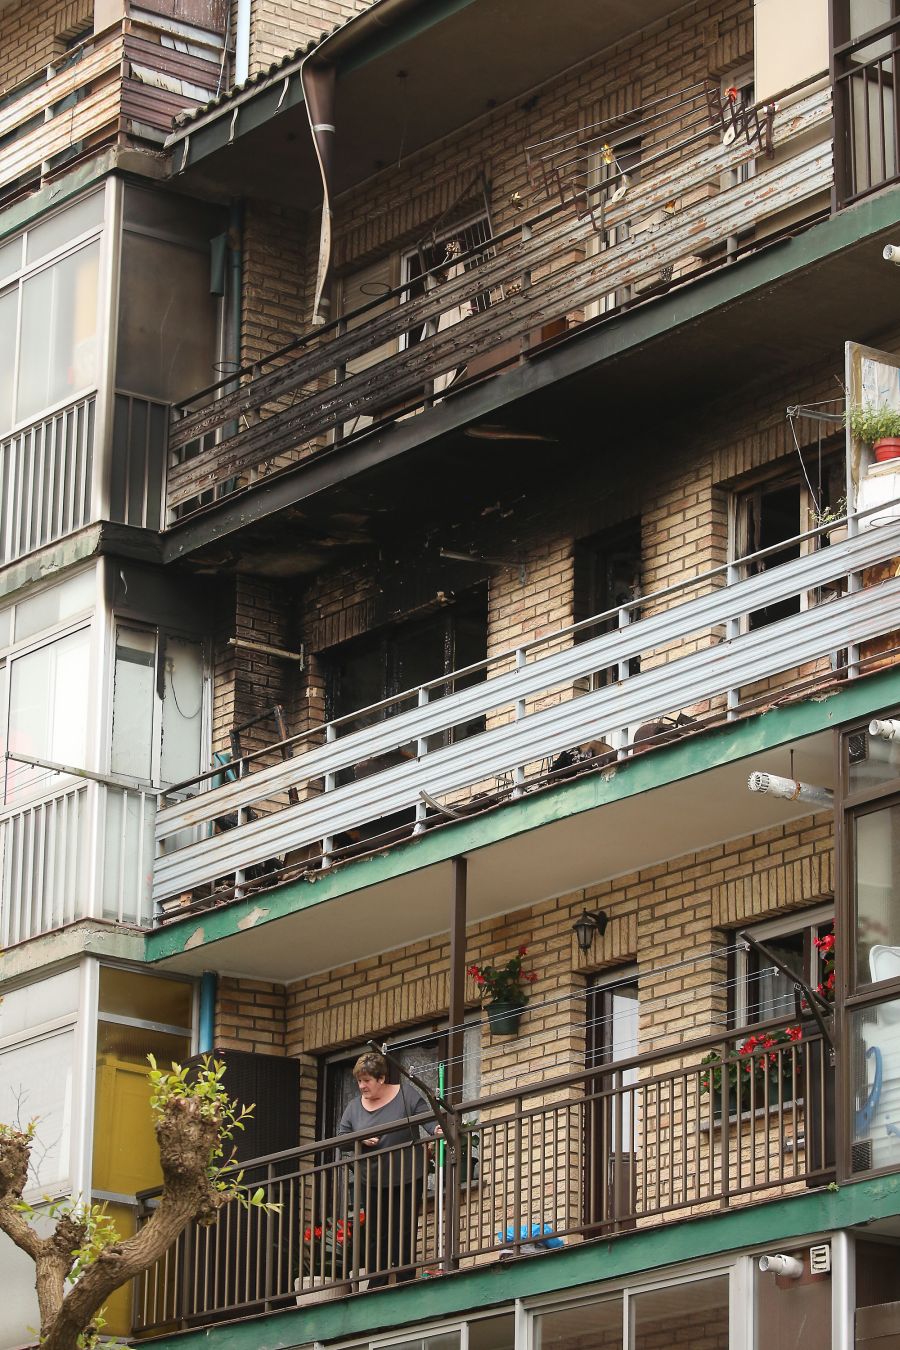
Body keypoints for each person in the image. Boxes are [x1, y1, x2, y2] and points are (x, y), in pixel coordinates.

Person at [337, 1050, 442, 1287]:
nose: (362, 1086)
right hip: (371, 1178)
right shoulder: (354, 1107)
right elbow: (342, 1138)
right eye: (359, 1081)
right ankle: (378, 1281)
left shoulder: (405, 1095)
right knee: (375, 1232)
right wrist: (360, 1139)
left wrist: (437, 1128)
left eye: (366, 1081)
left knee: (404, 1228)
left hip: (407, 1174)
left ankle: (404, 1278)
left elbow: (427, 1118)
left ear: (381, 1079)